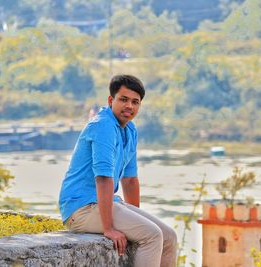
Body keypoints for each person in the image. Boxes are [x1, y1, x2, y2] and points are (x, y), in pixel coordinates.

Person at [59, 74, 177, 267]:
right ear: (111, 100)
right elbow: (103, 179)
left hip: (106, 203)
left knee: (169, 236)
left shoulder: (130, 130)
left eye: (135, 102)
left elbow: (130, 180)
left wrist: (135, 220)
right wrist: (109, 229)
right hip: (81, 208)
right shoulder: (103, 126)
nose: (129, 106)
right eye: (123, 99)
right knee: (152, 235)